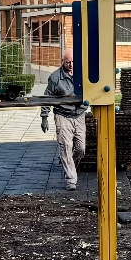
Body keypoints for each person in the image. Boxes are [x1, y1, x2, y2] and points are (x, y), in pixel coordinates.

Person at [40, 50, 87, 190]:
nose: (71, 65)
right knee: (65, 147)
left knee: (81, 148)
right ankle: (71, 180)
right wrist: (44, 118)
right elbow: (47, 98)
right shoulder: (55, 78)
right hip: (62, 114)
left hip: (79, 114)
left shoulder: (82, 74)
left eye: (73, 62)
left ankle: (67, 162)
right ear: (62, 61)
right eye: (68, 62)